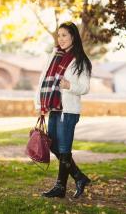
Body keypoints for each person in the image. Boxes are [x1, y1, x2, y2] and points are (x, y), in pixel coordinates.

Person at [34, 21, 92, 198]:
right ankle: (79, 177)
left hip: (68, 111)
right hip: (54, 108)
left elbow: (85, 87)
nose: (61, 39)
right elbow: (42, 80)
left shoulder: (81, 60)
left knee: (64, 148)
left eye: (64, 35)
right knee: (53, 145)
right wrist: (40, 105)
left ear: (73, 36)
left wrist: (69, 85)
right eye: (59, 35)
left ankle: (60, 187)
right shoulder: (54, 56)